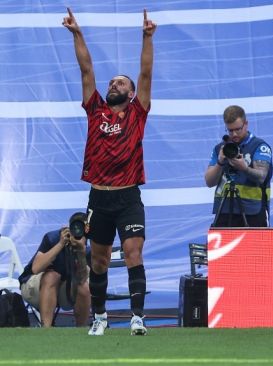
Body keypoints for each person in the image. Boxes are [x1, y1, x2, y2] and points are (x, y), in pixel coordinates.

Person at [63, 7, 156, 336]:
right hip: (99, 199)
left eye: (120, 82)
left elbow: (145, 74)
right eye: (112, 81)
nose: (113, 84)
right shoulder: (95, 109)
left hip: (129, 197)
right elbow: (85, 67)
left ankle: (137, 318)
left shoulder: (137, 112)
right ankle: (100, 317)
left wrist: (147, 37)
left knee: (133, 253)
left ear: (131, 93)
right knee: (99, 262)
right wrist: (77, 33)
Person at [19, 212, 91, 327]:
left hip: (62, 291)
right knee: (52, 276)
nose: (77, 231)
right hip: (33, 288)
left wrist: (81, 252)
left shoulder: (87, 248)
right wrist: (61, 244)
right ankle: (46, 330)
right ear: (69, 226)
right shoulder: (53, 238)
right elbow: (36, 268)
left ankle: (81, 330)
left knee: (83, 286)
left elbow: (82, 279)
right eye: (75, 227)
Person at [205, 105, 273, 227]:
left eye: (238, 129)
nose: (234, 134)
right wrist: (220, 162)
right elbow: (209, 182)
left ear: (246, 124)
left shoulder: (260, 146)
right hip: (224, 209)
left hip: (253, 210)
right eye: (230, 130)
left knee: (253, 247)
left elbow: (261, 177)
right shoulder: (221, 148)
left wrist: (245, 168)